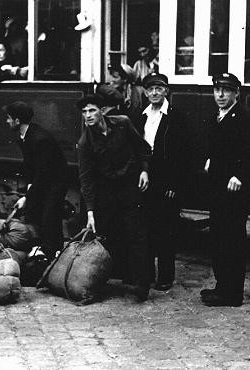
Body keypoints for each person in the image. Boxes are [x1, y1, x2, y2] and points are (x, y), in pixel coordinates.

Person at [76, 94, 152, 302]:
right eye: (84, 112)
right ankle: (118, 281)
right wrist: (90, 211)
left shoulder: (123, 124)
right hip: (107, 192)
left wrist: (144, 171)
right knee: (112, 235)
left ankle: (141, 285)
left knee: (137, 235)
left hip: (130, 187)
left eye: (92, 110)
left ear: (102, 110)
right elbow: (86, 179)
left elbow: (143, 149)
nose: (88, 116)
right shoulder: (85, 142)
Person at [201, 73, 250, 307]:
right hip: (218, 187)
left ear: (237, 92)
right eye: (217, 90)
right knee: (218, 237)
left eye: (226, 90)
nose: (220, 95)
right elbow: (216, 145)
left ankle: (233, 293)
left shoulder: (247, 118)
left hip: (235, 190)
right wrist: (210, 158)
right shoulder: (216, 117)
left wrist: (242, 176)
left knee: (233, 239)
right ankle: (222, 286)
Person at [137, 72, 187, 291]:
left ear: (166, 90)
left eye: (159, 88)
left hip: (166, 182)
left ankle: (165, 276)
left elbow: (184, 154)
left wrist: (174, 185)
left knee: (165, 230)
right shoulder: (141, 116)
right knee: (145, 228)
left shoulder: (176, 116)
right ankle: (146, 274)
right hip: (144, 178)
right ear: (145, 92)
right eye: (150, 89)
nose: (154, 93)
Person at [3, 101, 68, 260]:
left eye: (9, 118)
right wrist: (29, 193)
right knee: (36, 214)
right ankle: (42, 250)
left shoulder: (39, 139)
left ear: (17, 121)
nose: (7, 121)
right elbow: (33, 170)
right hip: (45, 180)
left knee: (49, 218)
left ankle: (51, 255)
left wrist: (27, 196)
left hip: (55, 183)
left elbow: (43, 173)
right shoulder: (27, 136)